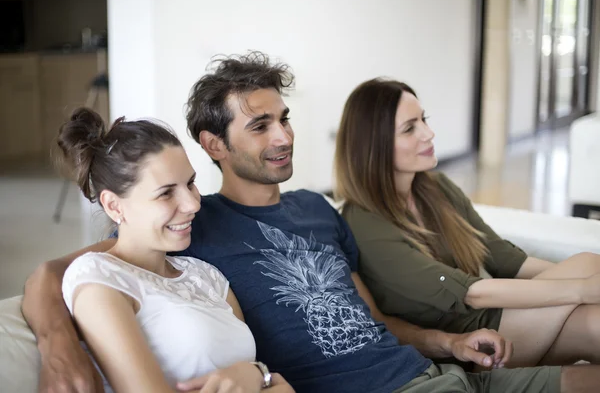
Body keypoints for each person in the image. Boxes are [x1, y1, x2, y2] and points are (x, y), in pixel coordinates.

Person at [22, 52, 600, 393]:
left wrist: (447, 341)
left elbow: (373, 317)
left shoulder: (319, 210)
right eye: (259, 126)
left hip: (441, 372)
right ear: (212, 143)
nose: (283, 137)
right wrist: (56, 345)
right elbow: (62, 272)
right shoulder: (196, 226)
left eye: (284, 118)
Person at [334, 77, 600, 368]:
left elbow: (501, 256)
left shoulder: (436, 188)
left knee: (591, 302)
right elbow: (470, 293)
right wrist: (581, 288)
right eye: (410, 128)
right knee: (587, 275)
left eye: (424, 120)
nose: (429, 133)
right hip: (468, 342)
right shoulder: (364, 223)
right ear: (375, 145)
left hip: (494, 318)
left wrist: (587, 283)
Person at [52, 108, 293, 393]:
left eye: (190, 183)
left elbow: (256, 373)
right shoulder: (99, 277)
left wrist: (257, 373)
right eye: (166, 193)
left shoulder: (206, 276)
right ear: (115, 206)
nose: (192, 204)